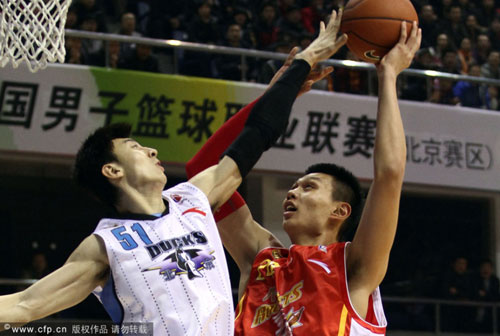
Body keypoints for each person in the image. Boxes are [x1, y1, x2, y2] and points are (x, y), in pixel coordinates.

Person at [0, 9, 347, 335]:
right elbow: (26, 304)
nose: (151, 150)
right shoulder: (104, 246)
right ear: (112, 170)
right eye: (134, 147)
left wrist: (298, 68)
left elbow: (257, 136)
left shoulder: (192, 198)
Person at [186, 20, 422, 334]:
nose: (292, 193)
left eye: (308, 187)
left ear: (340, 210)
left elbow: (390, 174)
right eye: (295, 186)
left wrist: (388, 75)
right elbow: (204, 168)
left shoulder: (353, 267)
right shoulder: (260, 256)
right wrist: (276, 95)